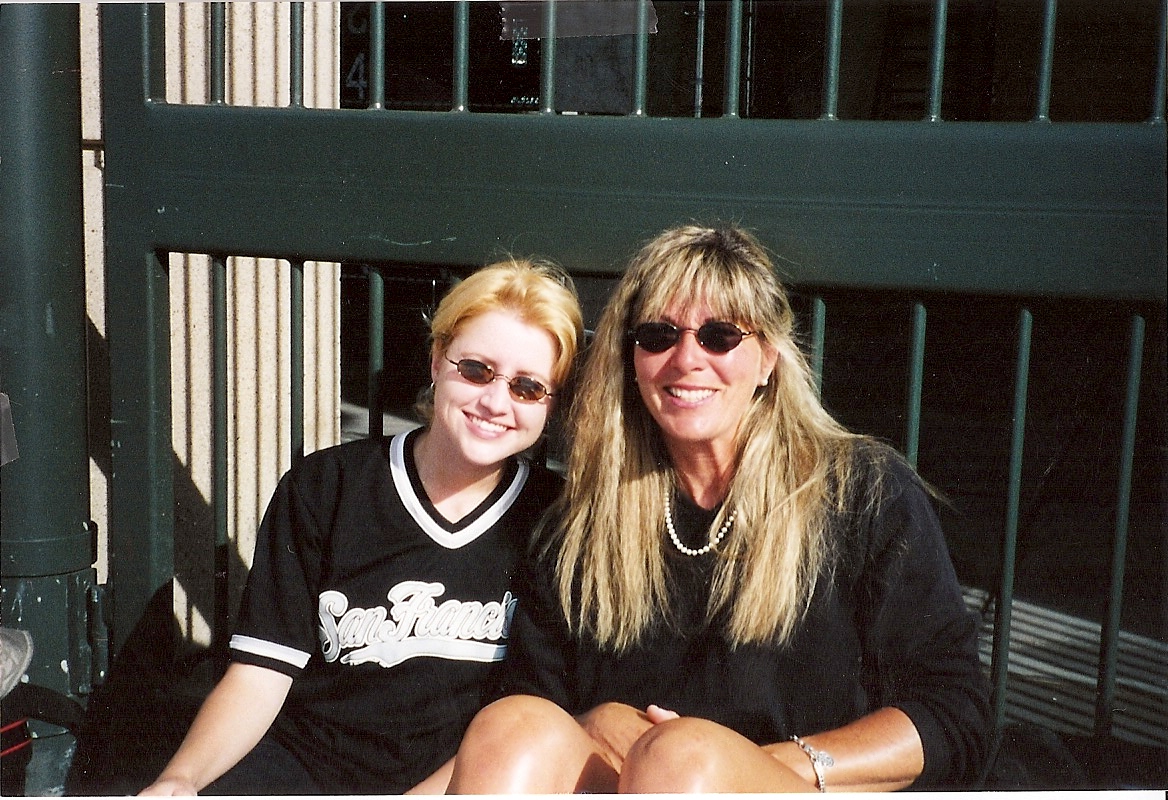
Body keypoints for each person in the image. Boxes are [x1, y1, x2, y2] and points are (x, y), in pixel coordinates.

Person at [445, 225, 990, 793]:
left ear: (768, 359)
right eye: (657, 335)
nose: (686, 359)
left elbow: (954, 714)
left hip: (800, 784)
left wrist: (763, 764)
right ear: (630, 359)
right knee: (514, 728)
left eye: (719, 336)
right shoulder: (581, 523)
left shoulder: (861, 493)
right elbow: (534, 704)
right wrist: (593, 722)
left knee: (683, 760)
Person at [138, 258, 583, 795]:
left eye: (528, 387)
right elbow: (262, 673)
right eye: (476, 370)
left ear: (551, 403)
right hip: (306, 767)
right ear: (438, 359)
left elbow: (524, 723)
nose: (495, 402)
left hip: (463, 781)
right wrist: (180, 780)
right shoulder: (327, 487)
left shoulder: (554, 519)